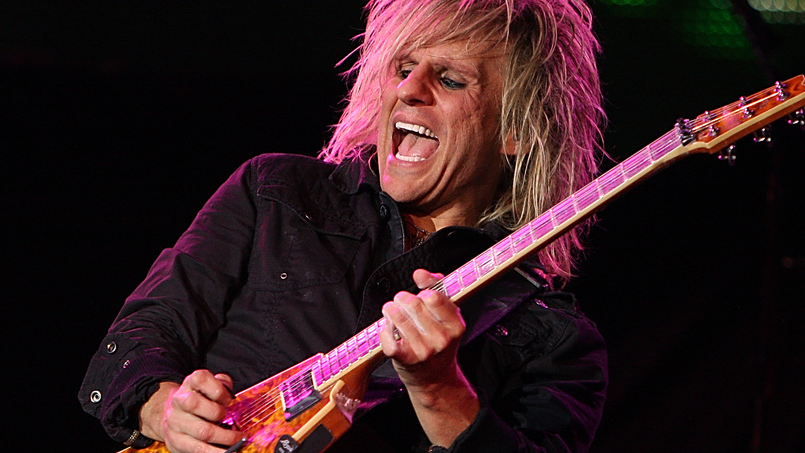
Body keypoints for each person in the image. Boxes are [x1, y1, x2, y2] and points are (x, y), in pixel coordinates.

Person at [79, 0, 608, 452]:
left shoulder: (555, 337)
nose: (409, 88)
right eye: (403, 68)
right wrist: (167, 409)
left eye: (449, 79)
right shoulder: (277, 191)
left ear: (516, 131)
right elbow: (137, 340)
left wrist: (439, 391)